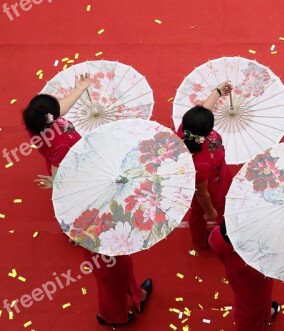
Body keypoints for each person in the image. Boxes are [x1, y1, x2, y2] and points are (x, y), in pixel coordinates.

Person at [23, 75, 152, 326]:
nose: (60, 111)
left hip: (79, 183)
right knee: (112, 277)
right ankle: (113, 316)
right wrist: (58, 186)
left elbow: (59, 109)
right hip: (82, 187)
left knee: (118, 270)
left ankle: (135, 293)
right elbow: (66, 187)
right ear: (50, 120)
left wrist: (80, 89)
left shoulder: (38, 125)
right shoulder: (60, 146)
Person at [179, 82, 235, 248]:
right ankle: (200, 241)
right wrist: (210, 211)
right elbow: (202, 194)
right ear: (207, 129)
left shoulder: (187, 129)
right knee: (200, 213)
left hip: (221, 176)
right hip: (211, 189)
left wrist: (218, 91)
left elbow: (204, 111)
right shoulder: (201, 163)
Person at [209, 223, 279, 330]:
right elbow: (272, 267)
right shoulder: (251, 265)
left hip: (236, 280)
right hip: (255, 290)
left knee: (243, 302)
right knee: (252, 312)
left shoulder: (216, 236)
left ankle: (266, 314)